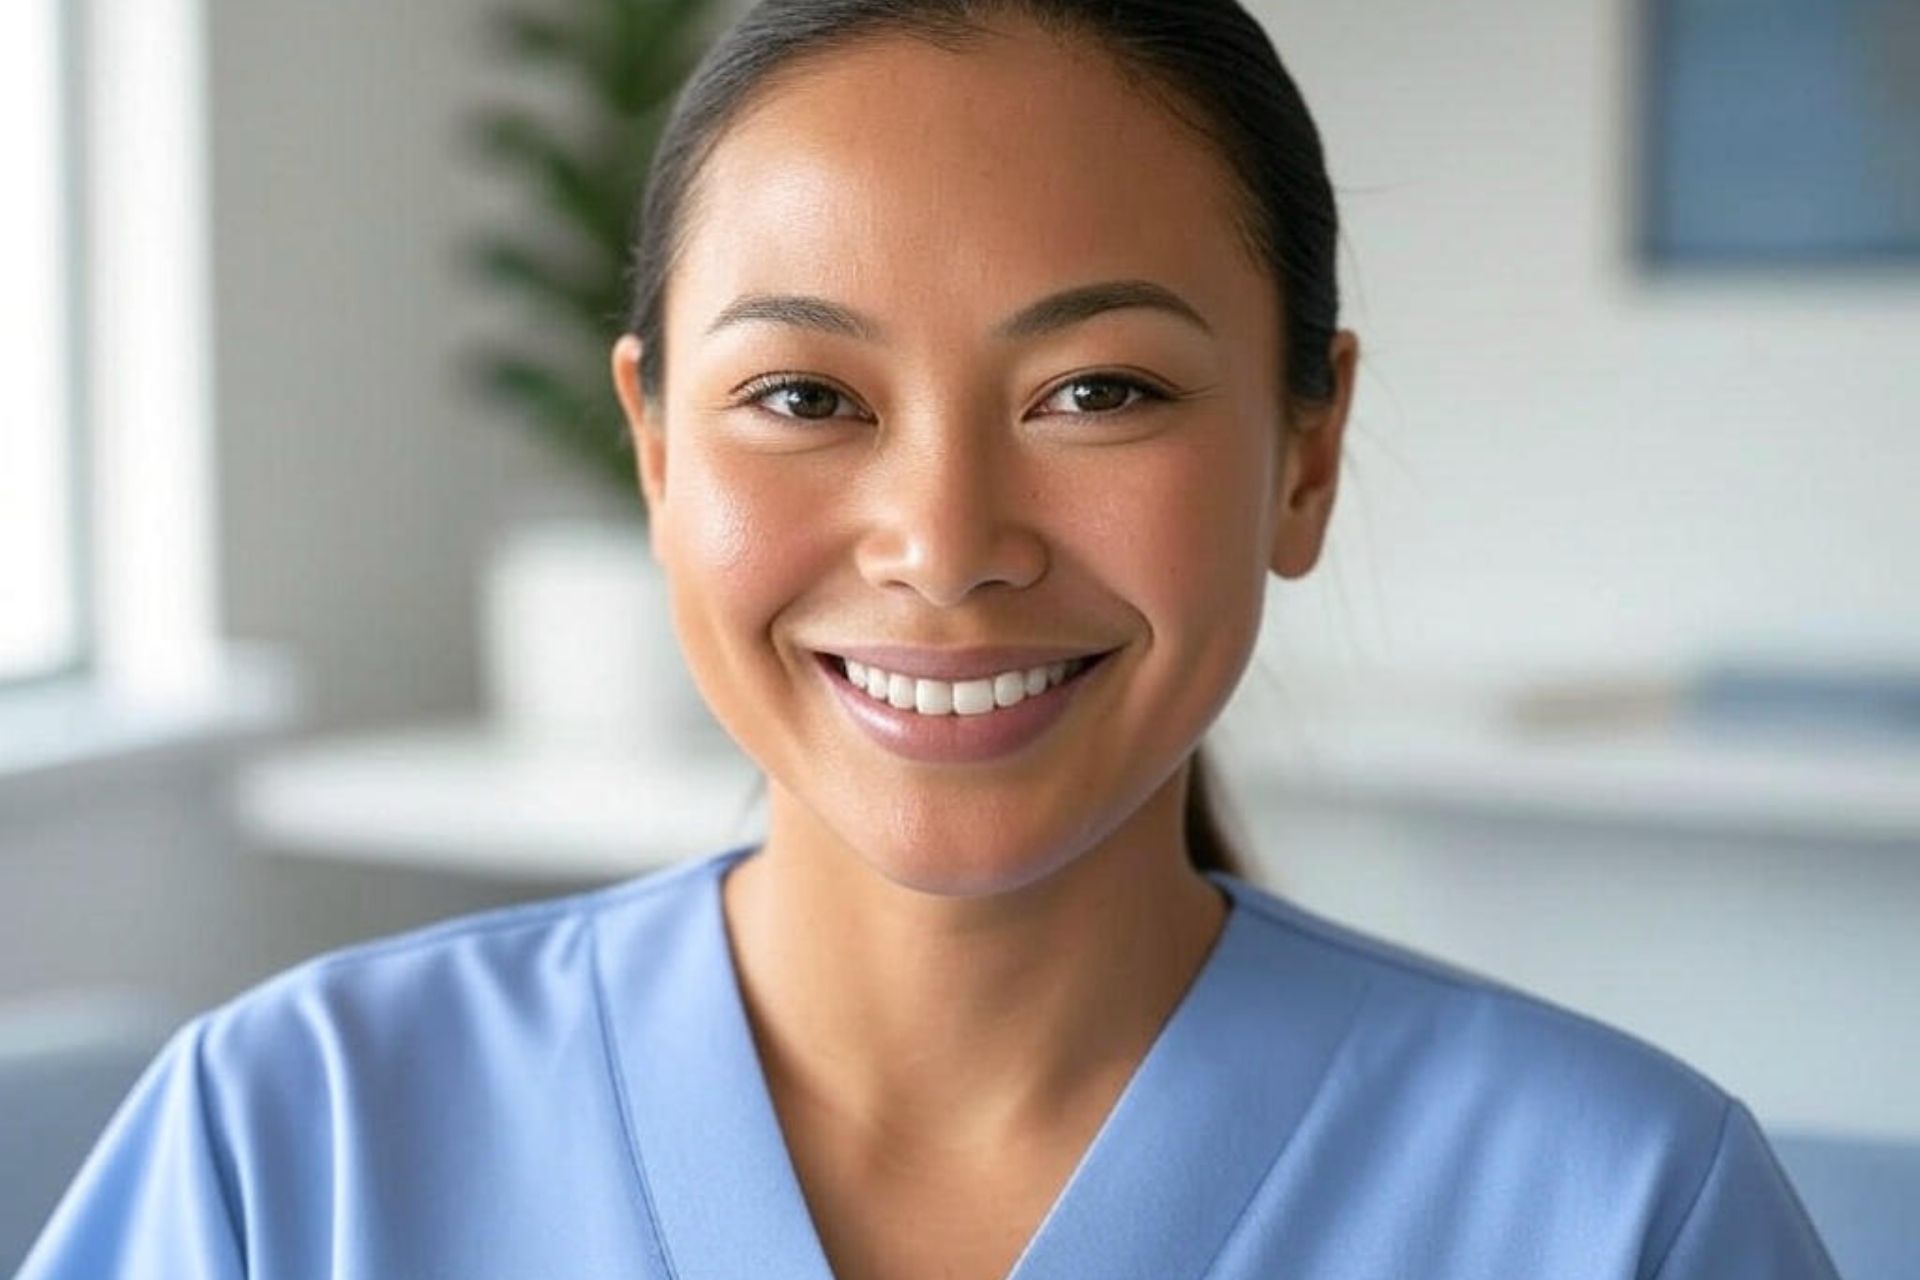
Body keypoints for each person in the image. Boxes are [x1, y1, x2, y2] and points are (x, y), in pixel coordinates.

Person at [18, 2, 1840, 1277]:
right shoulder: (289, 1150)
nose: (946, 545)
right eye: (808, 393)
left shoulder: (1625, 1216)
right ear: (656, 453)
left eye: (1098, 389)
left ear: (1306, 453)